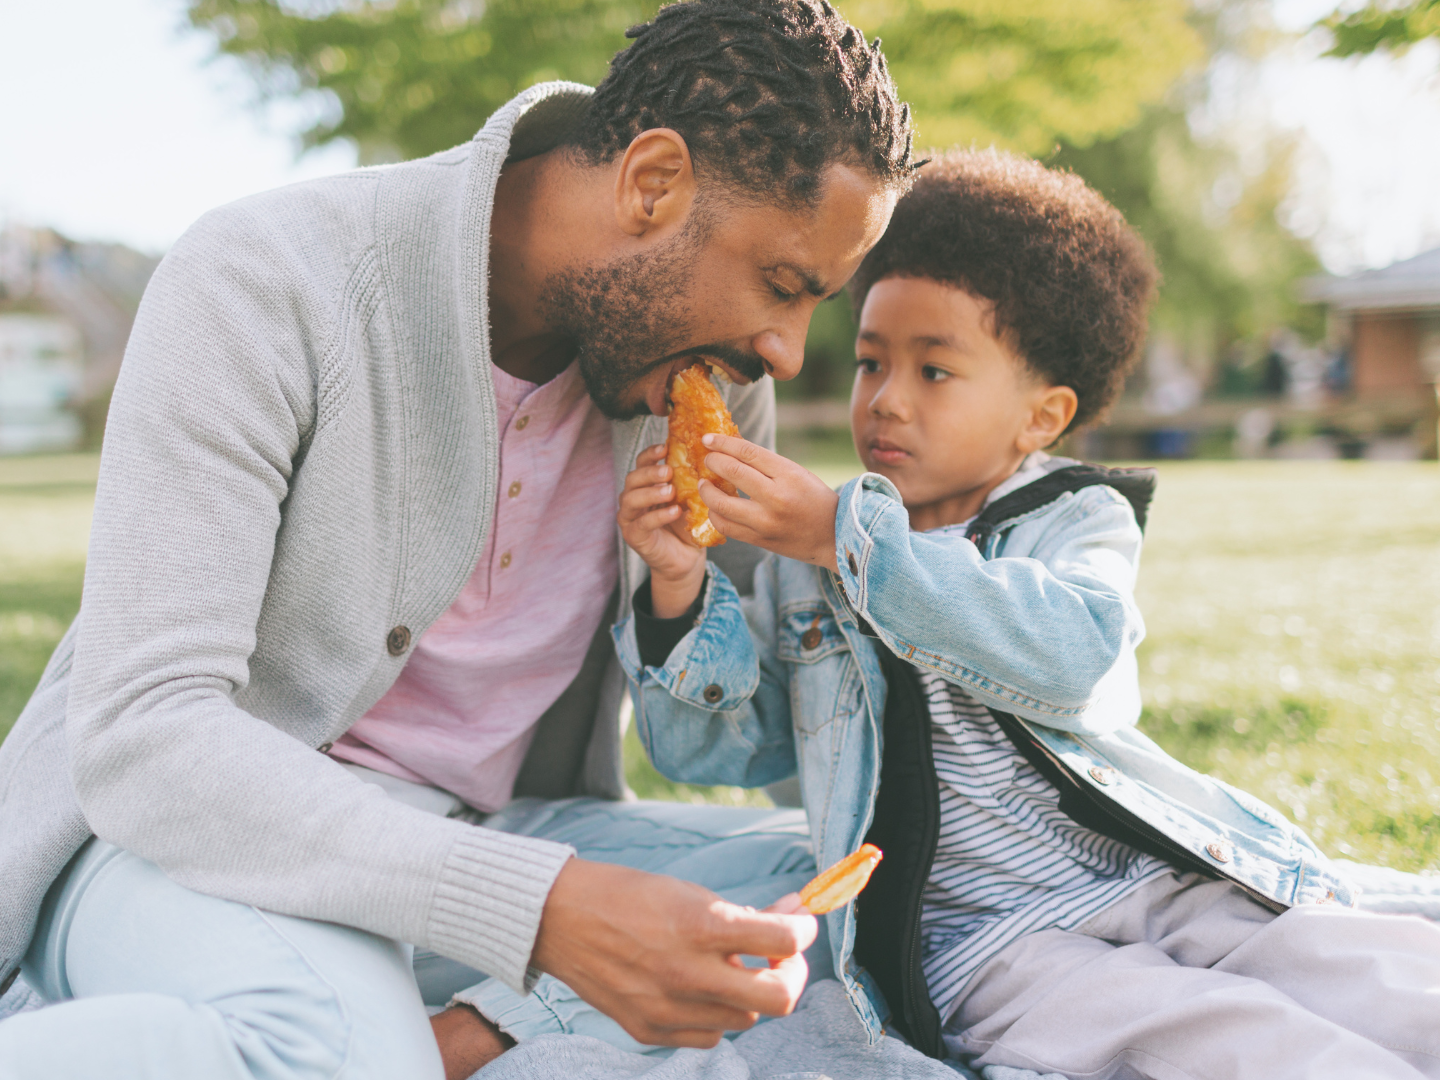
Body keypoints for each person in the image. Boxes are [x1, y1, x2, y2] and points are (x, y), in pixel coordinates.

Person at [0, 3, 918, 1077]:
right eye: (781, 284)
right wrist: (545, 914)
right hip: (180, 846)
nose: (788, 351)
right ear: (652, 183)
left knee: (854, 897)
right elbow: (146, 737)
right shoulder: (266, 279)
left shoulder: (694, 383)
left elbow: (769, 717)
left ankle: (462, 1042)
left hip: (489, 839)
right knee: (338, 1051)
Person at [615, 149, 1440, 1079]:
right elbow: (718, 753)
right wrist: (679, 592)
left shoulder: (1067, 517)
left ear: (1040, 417)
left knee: (1376, 973)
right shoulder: (811, 554)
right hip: (985, 941)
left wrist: (848, 539)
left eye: (935, 372)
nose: (886, 399)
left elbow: (1074, 657)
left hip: (1149, 874)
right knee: (1235, 1042)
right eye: (870, 361)